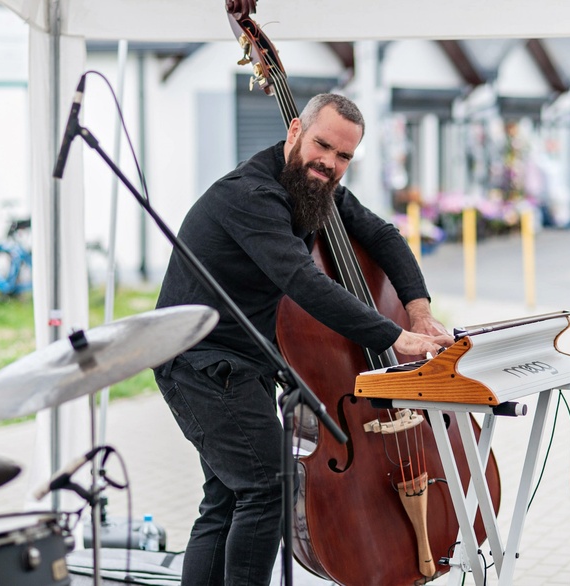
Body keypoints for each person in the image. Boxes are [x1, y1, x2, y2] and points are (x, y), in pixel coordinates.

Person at [153, 93, 454, 585]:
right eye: (323, 146)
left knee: (226, 499)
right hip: (197, 362)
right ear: (295, 130)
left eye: (344, 157)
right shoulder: (251, 195)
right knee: (267, 487)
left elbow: (384, 236)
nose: (330, 164)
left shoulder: (317, 189)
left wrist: (418, 312)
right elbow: (303, 281)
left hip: (243, 363)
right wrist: (393, 336)